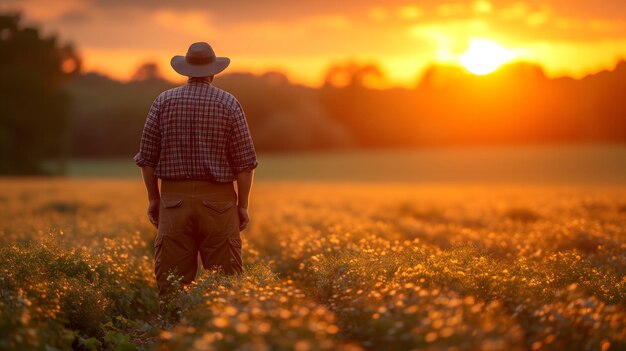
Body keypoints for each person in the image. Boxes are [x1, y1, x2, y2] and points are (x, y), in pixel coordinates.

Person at [134, 42, 258, 304]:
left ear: (185, 70)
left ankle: (174, 335)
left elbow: (147, 160)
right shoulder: (229, 103)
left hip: (173, 202)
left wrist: (154, 199)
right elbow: (245, 164)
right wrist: (243, 205)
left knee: (173, 286)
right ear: (213, 72)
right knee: (225, 286)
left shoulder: (163, 102)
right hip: (219, 204)